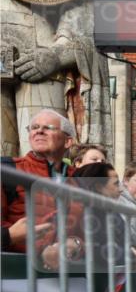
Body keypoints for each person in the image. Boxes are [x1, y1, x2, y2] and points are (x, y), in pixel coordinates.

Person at [1, 109, 83, 268]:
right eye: (34, 127)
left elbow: (94, 231)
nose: (39, 131)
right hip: (16, 272)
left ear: (67, 141)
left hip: (69, 277)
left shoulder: (81, 179)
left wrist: (76, 245)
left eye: (48, 127)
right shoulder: (7, 169)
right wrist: (10, 235)